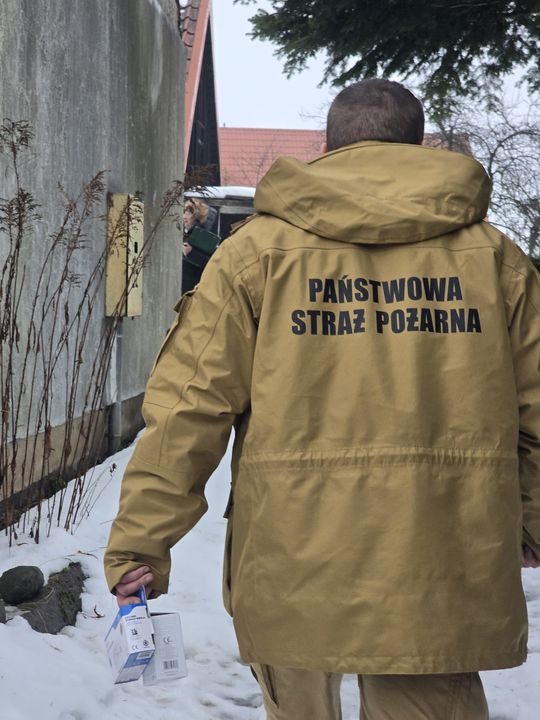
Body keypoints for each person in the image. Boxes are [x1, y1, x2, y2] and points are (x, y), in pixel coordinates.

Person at [104, 79, 540, 719]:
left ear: (330, 147)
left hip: (293, 558)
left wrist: (140, 546)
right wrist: (531, 521)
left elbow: (186, 415)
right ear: (417, 144)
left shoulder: (253, 256)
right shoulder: (497, 260)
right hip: (442, 559)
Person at [181, 197, 219, 292]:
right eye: (184, 212)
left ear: (196, 216)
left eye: (189, 213)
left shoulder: (204, 237)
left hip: (195, 286)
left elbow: (211, 264)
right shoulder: (184, 234)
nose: (184, 216)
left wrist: (191, 253)